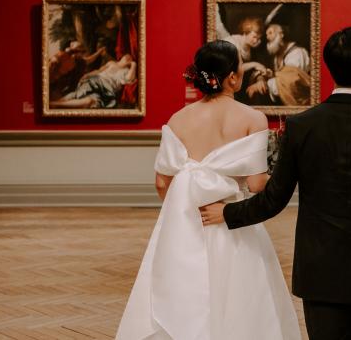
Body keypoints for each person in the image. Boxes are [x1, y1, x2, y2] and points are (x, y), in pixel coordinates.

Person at [200, 26, 351, 340]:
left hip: (320, 269)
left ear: (328, 68)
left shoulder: (301, 127)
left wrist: (228, 213)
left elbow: (274, 198)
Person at [116, 40, 300, 339]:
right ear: (232, 77)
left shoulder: (178, 119)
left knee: (183, 295)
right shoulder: (252, 118)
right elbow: (256, 184)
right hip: (234, 224)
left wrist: (184, 208)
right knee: (240, 301)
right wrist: (284, 172)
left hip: (189, 225)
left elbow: (162, 182)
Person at [246, 23, 311, 106]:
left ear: (281, 34)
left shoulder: (297, 53)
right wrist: (262, 78)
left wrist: (265, 85)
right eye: (266, 35)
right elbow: (278, 75)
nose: (267, 37)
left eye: (270, 33)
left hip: (302, 103)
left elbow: (290, 81)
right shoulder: (276, 56)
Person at [50, 53, 137, 109]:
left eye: (130, 58)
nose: (127, 56)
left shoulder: (126, 71)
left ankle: (56, 104)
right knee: (77, 94)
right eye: (126, 55)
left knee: (90, 101)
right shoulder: (111, 63)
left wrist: (134, 65)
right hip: (96, 80)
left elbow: (129, 79)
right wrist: (86, 75)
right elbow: (98, 71)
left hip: (106, 90)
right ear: (121, 57)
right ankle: (53, 104)